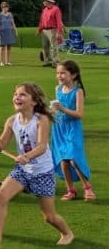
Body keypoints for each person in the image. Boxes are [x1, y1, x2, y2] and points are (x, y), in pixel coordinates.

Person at [0, 82, 74, 249]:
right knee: (2, 195)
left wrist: (26, 156)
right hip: (23, 170)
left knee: (49, 217)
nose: (17, 97)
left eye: (22, 95)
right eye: (16, 94)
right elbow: (1, 146)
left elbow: (42, 146)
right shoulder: (11, 121)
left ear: (34, 101)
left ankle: (67, 233)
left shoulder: (41, 120)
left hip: (42, 172)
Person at [51, 60, 95, 201]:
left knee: (73, 159)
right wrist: (51, 113)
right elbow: (56, 110)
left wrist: (62, 109)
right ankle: (70, 190)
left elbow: (79, 114)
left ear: (73, 75)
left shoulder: (78, 91)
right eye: (58, 73)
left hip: (72, 129)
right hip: (59, 128)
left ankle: (87, 188)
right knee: (63, 161)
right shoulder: (58, 89)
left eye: (63, 73)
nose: (59, 76)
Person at [36, 0, 65, 67]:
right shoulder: (44, 10)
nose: (43, 2)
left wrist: (59, 33)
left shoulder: (56, 9)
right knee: (45, 46)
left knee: (54, 47)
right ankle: (47, 61)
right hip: (44, 31)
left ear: (48, 1)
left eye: (44, 1)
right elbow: (41, 21)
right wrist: (39, 30)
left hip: (53, 30)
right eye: (43, 1)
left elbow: (59, 22)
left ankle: (56, 62)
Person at [0, 1, 18, 66]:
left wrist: (15, 30)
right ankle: (1, 62)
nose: (5, 8)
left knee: (9, 47)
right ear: (1, 8)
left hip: (9, 32)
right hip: (2, 32)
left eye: (6, 7)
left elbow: (13, 23)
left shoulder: (10, 14)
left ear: (8, 8)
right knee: (2, 47)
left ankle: (7, 61)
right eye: (3, 7)